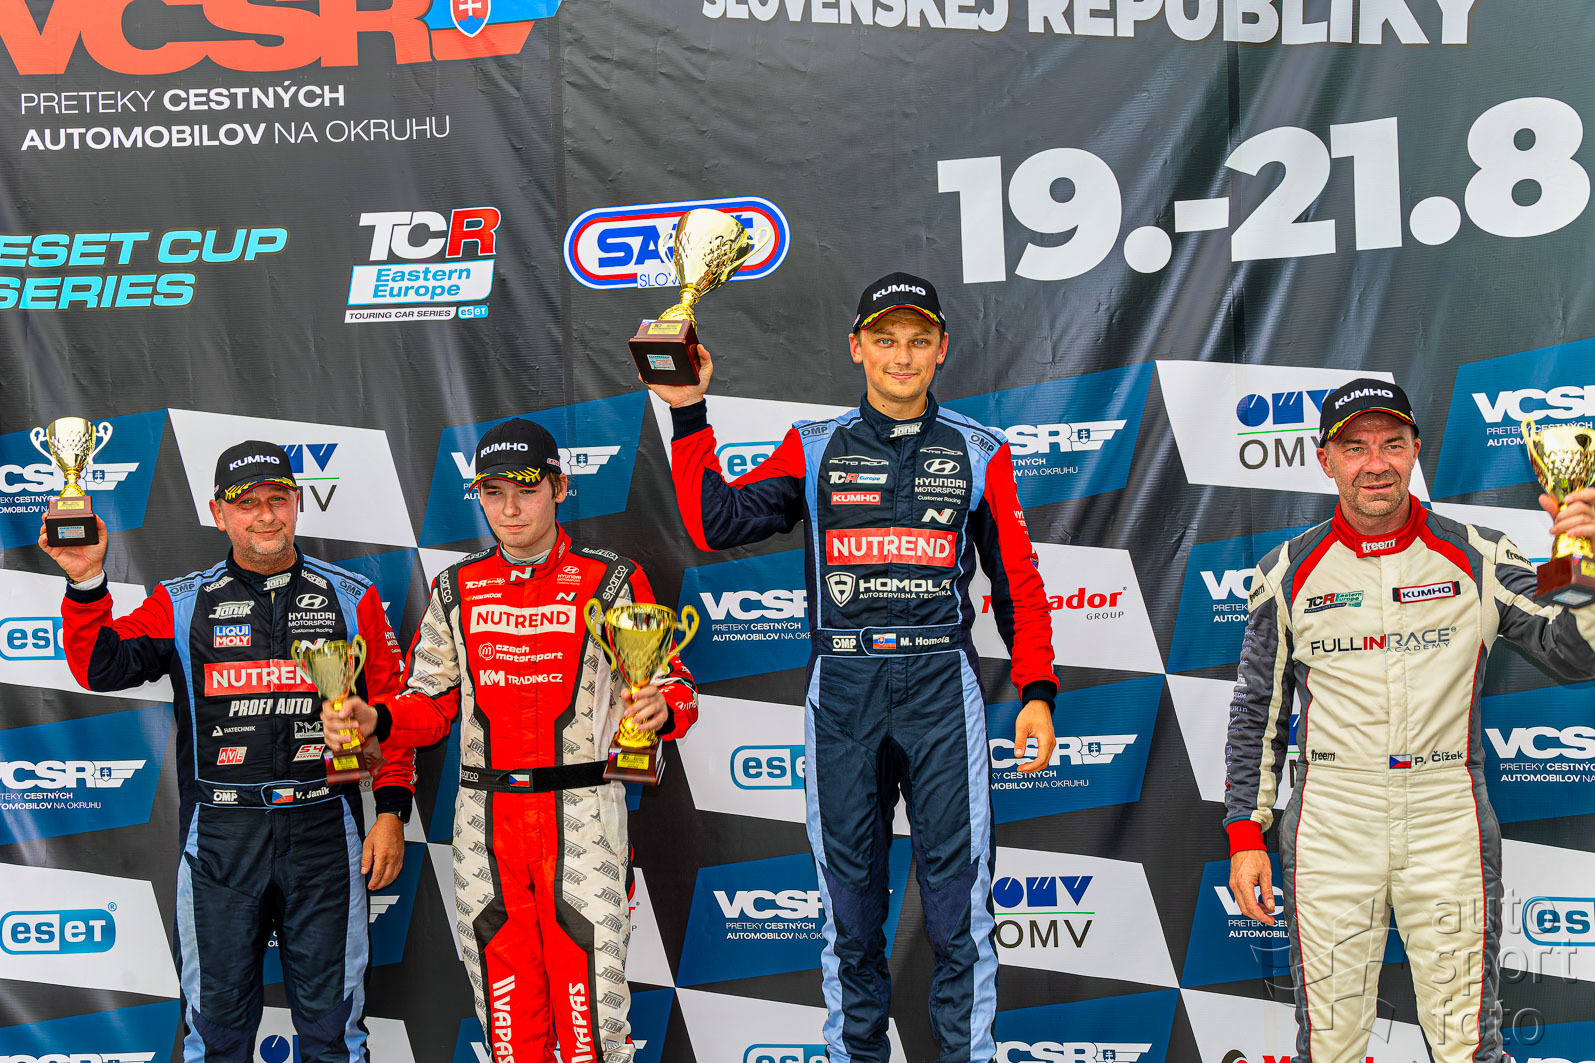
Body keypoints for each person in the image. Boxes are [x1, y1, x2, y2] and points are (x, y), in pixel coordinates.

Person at [647, 273, 1058, 1063]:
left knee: (960, 914)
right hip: (842, 691)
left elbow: (1017, 583)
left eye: (916, 340)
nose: (901, 356)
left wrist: (1036, 689)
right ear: (856, 348)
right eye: (884, 339)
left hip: (941, 691)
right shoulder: (812, 446)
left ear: (940, 349)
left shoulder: (980, 451)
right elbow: (714, 523)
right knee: (850, 916)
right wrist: (689, 411)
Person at [1224, 379, 1595, 1063]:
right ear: (1324, 459)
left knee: (1465, 1042)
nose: (1376, 464)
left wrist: (1584, 564)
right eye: (1355, 447)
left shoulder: (1482, 553)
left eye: (1392, 444)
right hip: (1332, 816)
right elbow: (1257, 710)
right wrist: (1245, 830)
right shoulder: (1285, 570)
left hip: (1444, 812)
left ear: (1415, 451)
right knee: (1329, 1042)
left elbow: (1569, 650)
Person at [320, 418, 698, 1063]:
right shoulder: (456, 586)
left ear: (560, 487)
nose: (511, 509)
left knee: (594, 1031)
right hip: (485, 826)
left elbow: (672, 682)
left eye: (526, 490)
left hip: (581, 818)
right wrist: (375, 719)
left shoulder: (610, 578)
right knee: (507, 1032)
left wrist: (664, 707)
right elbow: (429, 704)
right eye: (493, 494)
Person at [41, 440, 414, 1063]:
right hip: (220, 836)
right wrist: (85, 583)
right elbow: (102, 666)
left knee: (336, 1036)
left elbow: (390, 717)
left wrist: (393, 812)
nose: (265, 516)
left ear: (298, 503)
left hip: (326, 829)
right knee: (216, 1034)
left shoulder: (353, 599)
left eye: (278, 500)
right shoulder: (182, 601)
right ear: (219, 513)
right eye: (246, 504)